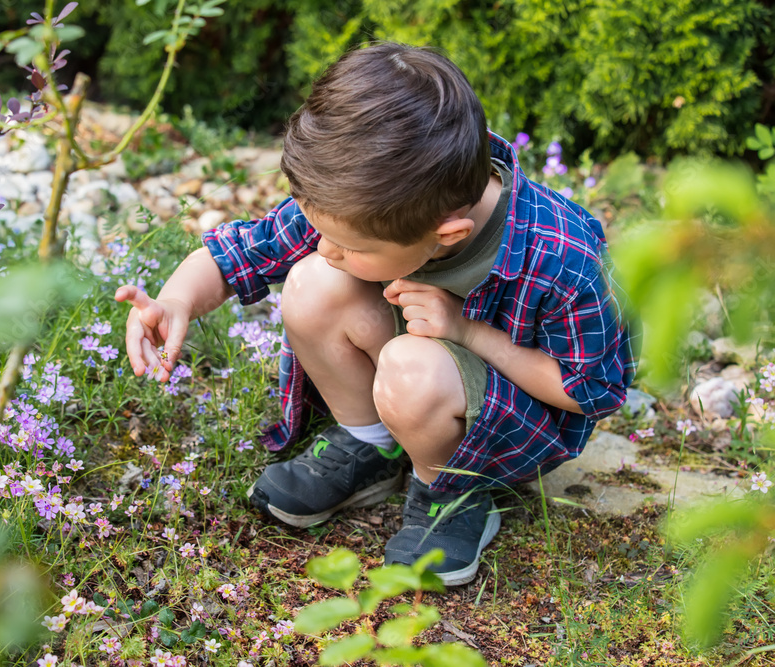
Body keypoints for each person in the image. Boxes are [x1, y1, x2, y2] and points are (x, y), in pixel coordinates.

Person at [115, 42, 638, 586]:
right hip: (422, 366)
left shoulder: (561, 258)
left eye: (347, 243)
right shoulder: (370, 196)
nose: (325, 246)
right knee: (313, 283)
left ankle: (452, 491)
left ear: (447, 235)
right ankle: (371, 444)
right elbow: (242, 252)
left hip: (515, 413)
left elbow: (589, 390)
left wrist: (467, 332)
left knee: (413, 368)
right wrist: (175, 301)